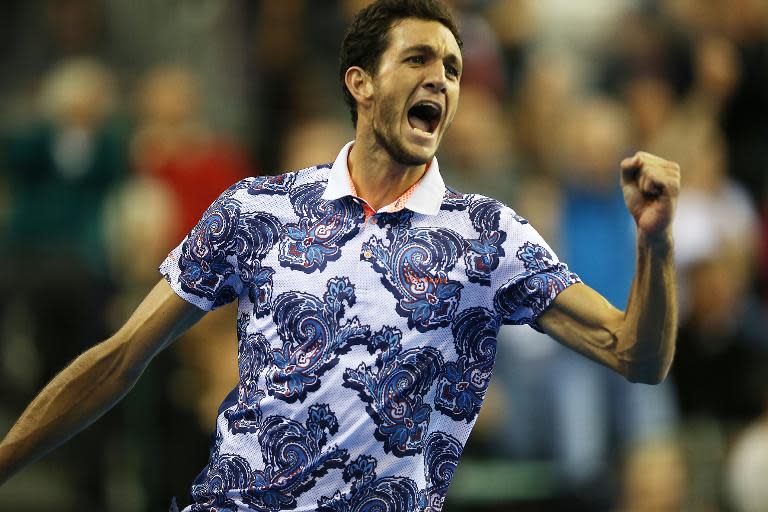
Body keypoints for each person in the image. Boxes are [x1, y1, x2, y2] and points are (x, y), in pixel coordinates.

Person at [0, 1, 680, 510]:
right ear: (361, 83)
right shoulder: (256, 210)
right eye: (418, 60)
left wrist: (653, 241)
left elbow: (636, 356)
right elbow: (121, 357)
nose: (441, 79)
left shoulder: (489, 236)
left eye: (453, 68)